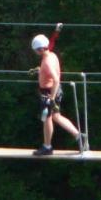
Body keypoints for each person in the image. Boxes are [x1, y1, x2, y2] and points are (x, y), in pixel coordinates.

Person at [31, 23, 83, 156]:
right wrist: (39, 70)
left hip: (49, 93)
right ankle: (79, 136)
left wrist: (51, 99)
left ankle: (47, 146)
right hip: (54, 90)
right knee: (56, 116)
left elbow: (55, 79)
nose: (35, 53)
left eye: (36, 51)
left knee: (47, 118)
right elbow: (52, 43)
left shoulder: (47, 62)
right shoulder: (51, 55)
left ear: (41, 50)